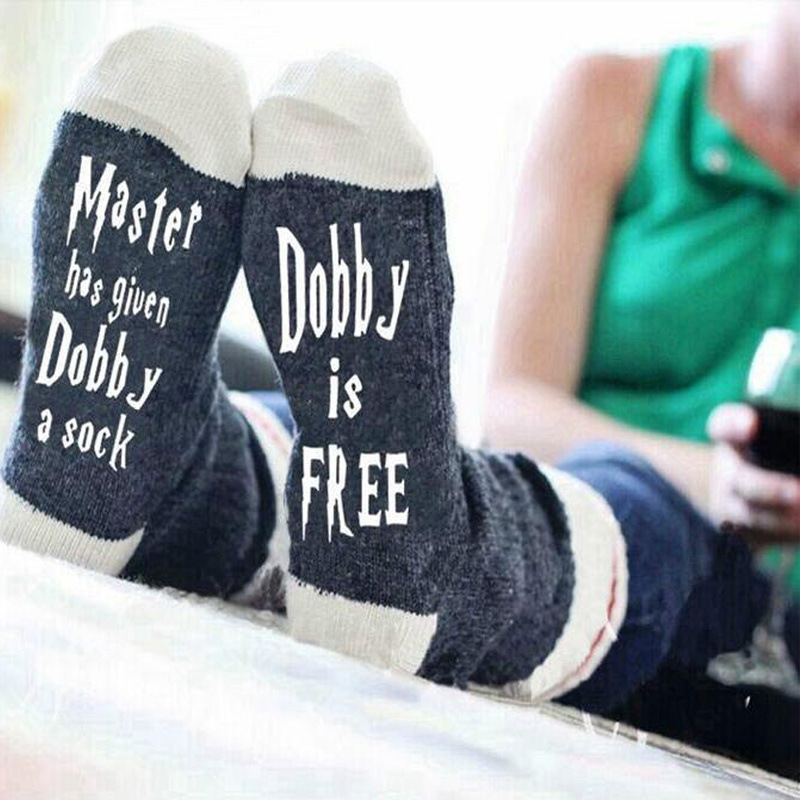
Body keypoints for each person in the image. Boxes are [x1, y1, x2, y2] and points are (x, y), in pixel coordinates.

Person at [0, 28, 784, 720]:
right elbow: (515, 406)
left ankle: (396, 551)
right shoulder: (619, 98)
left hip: (732, 582)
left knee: (636, 507)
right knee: (366, 445)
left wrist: (718, 485)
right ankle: (175, 465)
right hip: (535, 469)